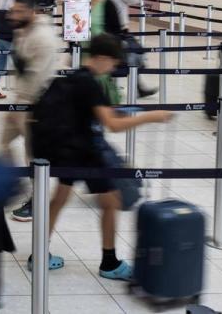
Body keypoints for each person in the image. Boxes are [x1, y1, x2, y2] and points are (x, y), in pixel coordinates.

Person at [32, 34, 172, 280]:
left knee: (60, 199)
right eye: (114, 62)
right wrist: (153, 116)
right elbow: (112, 125)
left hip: (65, 148)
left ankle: (39, 254)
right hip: (85, 152)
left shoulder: (76, 77)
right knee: (112, 202)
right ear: (103, 58)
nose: (114, 67)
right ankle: (109, 263)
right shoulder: (92, 84)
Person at [3, 0, 60, 222]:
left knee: (33, 155)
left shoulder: (43, 37)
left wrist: (23, 109)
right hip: (21, 101)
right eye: (13, 10)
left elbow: (36, 77)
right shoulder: (22, 30)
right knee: (4, 142)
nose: (14, 15)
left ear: (31, 10)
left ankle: (37, 201)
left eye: (19, 11)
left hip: (37, 104)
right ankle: (13, 185)